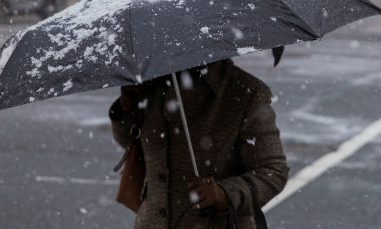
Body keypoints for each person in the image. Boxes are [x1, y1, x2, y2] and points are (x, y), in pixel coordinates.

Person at [109, 58, 289, 228]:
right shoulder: (150, 84)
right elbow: (132, 143)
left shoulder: (245, 92)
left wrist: (224, 194)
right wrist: (126, 108)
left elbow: (273, 171)